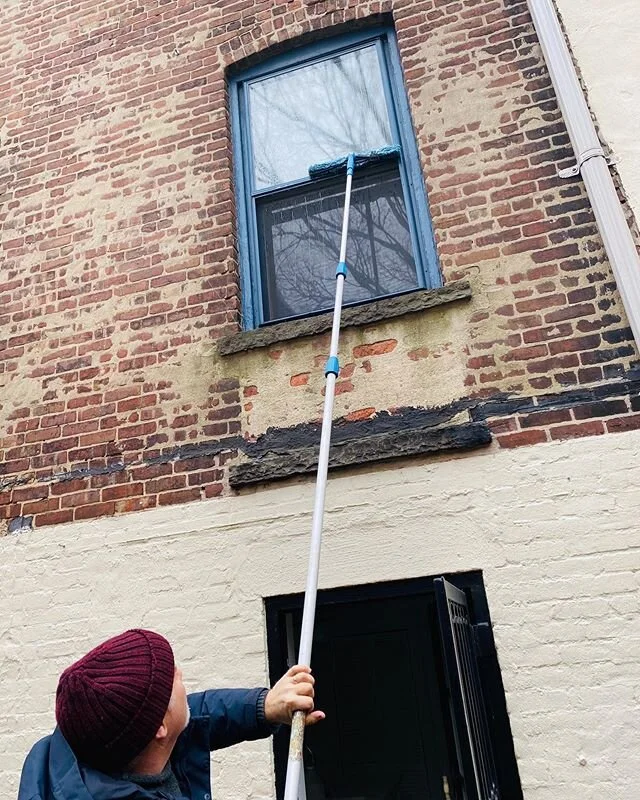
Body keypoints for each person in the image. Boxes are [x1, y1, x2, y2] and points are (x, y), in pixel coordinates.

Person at [18, 628, 324, 799]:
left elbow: (200, 714)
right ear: (159, 729)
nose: (179, 673)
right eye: (171, 678)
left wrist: (265, 706)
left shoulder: (97, 738)